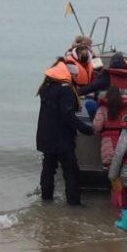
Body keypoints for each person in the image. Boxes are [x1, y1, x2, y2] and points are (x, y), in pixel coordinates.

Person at [36, 58, 94, 206]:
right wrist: (87, 129)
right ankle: (74, 203)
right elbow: (67, 115)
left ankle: (46, 200)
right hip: (61, 137)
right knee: (71, 171)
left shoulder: (46, 87)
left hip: (45, 134)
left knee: (49, 168)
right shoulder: (65, 90)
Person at [92, 87, 127, 209]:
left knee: (114, 178)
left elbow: (97, 126)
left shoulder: (103, 108)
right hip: (125, 144)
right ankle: (124, 208)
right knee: (123, 179)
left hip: (108, 145)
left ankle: (119, 208)